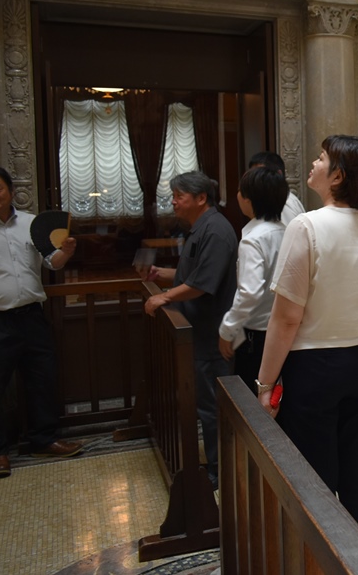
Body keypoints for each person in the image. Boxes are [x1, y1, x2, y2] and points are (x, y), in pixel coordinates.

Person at [255, 135, 358, 544]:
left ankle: (319, 559)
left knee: (313, 475)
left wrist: (265, 385)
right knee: (356, 468)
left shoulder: (307, 226)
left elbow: (286, 318)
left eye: (320, 158)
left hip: (313, 367)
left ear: (337, 175)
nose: (313, 164)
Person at [0, 167, 84, 479]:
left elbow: (51, 262)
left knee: (42, 378)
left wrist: (66, 252)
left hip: (32, 317)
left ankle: (43, 439)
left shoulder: (31, 224)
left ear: (10, 190)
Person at [142, 171, 238, 490]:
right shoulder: (200, 228)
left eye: (179, 196)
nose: (174, 202)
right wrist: (164, 275)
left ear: (200, 198)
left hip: (210, 334)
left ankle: (218, 468)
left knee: (211, 405)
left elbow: (201, 285)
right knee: (204, 402)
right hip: (197, 332)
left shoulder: (216, 230)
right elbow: (191, 274)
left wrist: (164, 296)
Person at [217, 166, 288, 394]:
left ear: (249, 199)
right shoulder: (287, 231)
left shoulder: (253, 240)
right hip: (287, 331)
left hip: (256, 339)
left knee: (253, 406)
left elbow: (249, 292)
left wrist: (227, 330)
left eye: (240, 190)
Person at [247, 151, 305, 225]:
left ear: (278, 174)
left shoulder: (284, 205)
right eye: (253, 175)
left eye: (261, 174)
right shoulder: (274, 199)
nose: (255, 179)